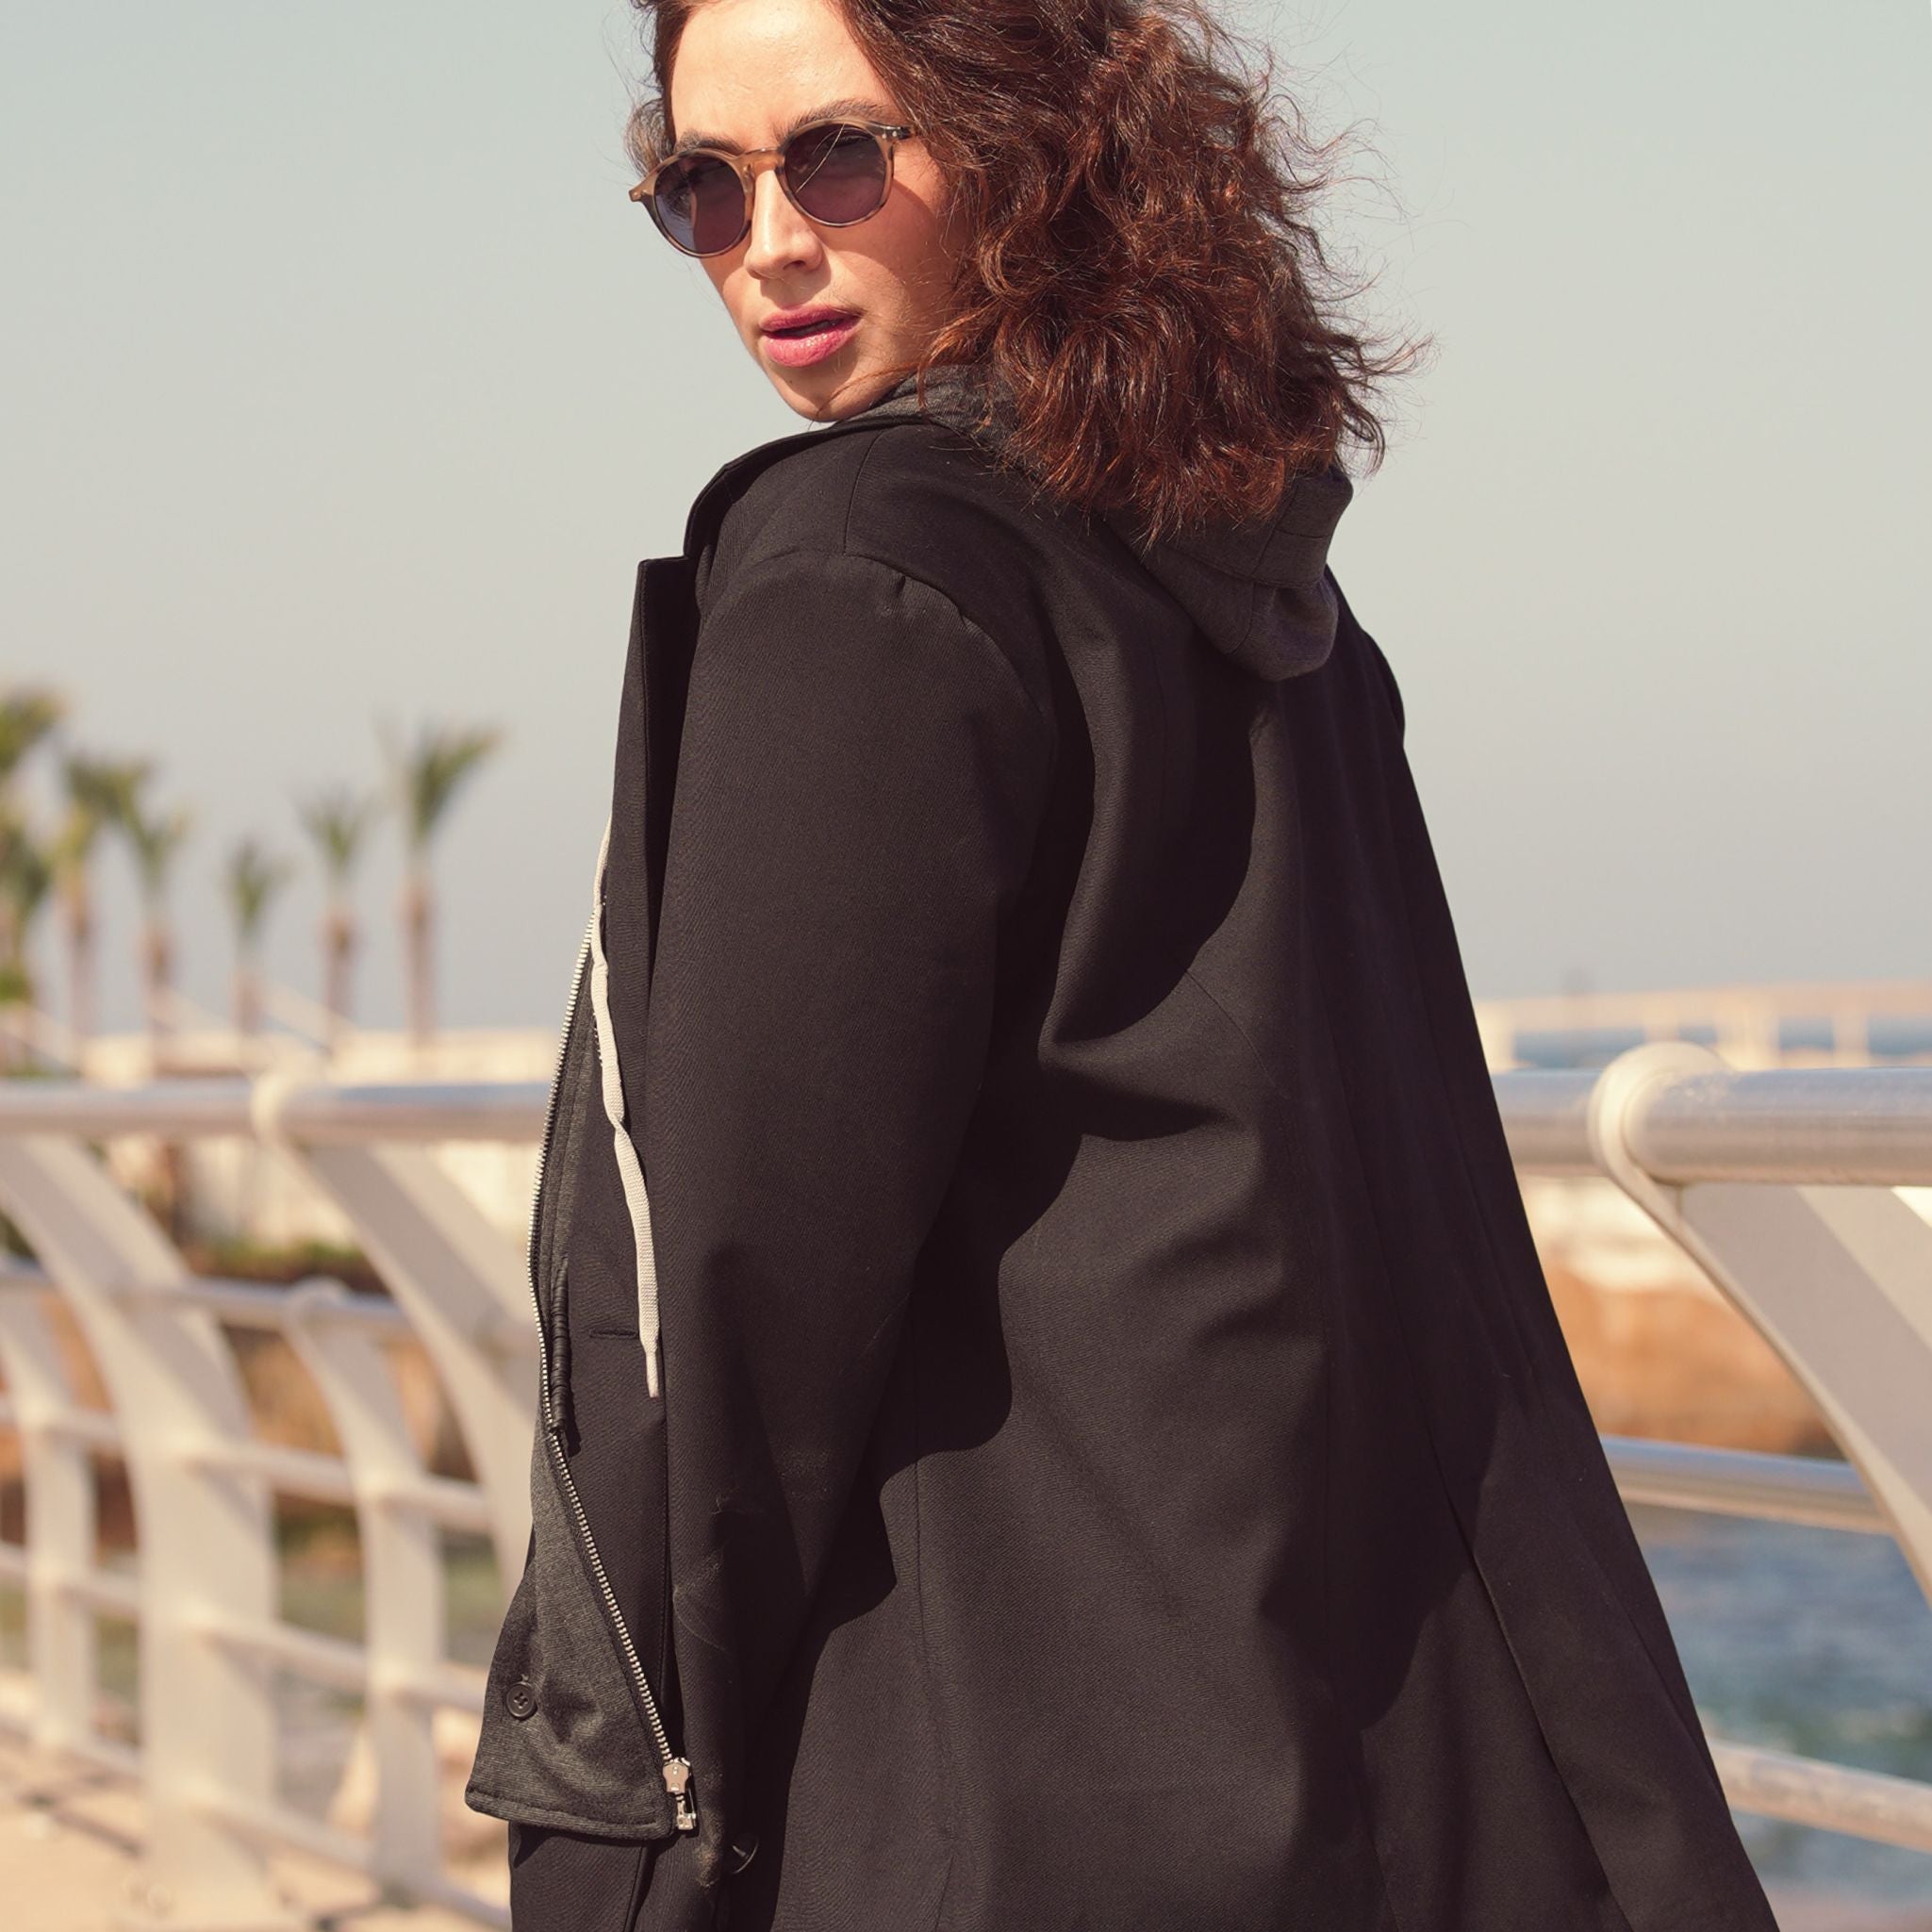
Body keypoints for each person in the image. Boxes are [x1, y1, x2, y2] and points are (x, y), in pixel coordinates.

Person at [465, 0, 1783, 1927]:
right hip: (1360, 1763)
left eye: (835, 153)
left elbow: (733, 1311)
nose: (765, 240)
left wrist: (603, 1846)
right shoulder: (1256, 598)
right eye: (696, 186)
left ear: (1024, 134)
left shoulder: (860, 571)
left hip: (996, 1801)